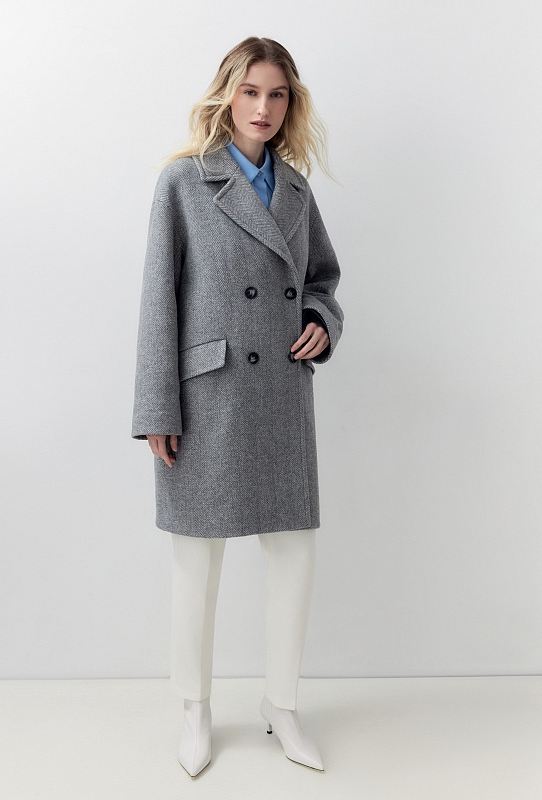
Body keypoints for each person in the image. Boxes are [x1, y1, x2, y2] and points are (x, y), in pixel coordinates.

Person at [131, 36, 343, 777]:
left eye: (277, 94)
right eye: (250, 91)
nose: (263, 107)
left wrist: (321, 321)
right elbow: (158, 300)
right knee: (197, 562)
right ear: (227, 95)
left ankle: (281, 705)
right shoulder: (185, 182)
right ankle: (195, 709)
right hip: (208, 398)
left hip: (281, 392)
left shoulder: (297, 191)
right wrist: (156, 408)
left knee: (295, 556)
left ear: (291, 104)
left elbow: (322, 280)